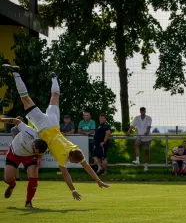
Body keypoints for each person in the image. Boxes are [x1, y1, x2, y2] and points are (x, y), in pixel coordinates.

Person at [4, 65, 109, 200]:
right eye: (74, 162)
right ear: (71, 158)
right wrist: (73, 190)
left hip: (54, 124)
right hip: (43, 126)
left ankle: (54, 78)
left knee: (55, 98)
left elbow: (86, 166)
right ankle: (16, 73)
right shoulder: (62, 155)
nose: (74, 163)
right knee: (26, 100)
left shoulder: (75, 149)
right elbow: (66, 175)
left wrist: (98, 180)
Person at [1, 117, 48, 207]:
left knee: (34, 176)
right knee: (7, 178)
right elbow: (16, 121)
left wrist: (39, 158)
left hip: (29, 157)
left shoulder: (44, 141)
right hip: (14, 152)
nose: (37, 153)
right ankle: (12, 184)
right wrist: (2, 120)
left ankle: (28, 202)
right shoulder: (28, 131)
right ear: (34, 145)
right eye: (36, 151)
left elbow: (41, 152)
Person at [127, 107, 152, 172]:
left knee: (147, 152)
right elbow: (132, 125)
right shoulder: (136, 118)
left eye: (144, 111)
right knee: (136, 144)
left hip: (147, 137)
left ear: (145, 111)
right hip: (140, 136)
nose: (143, 112)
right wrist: (129, 131)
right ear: (140, 111)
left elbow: (149, 126)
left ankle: (146, 166)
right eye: (141, 111)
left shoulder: (149, 118)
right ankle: (137, 160)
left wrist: (147, 131)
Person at [10, 116, 24, 181]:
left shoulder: (25, 128)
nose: (19, 122)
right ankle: (17, 177)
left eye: (21, 120)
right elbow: (15, 137)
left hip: (25, 147)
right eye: (18, 120)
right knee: (15, 163)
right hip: (16, 147)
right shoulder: (13, 129)